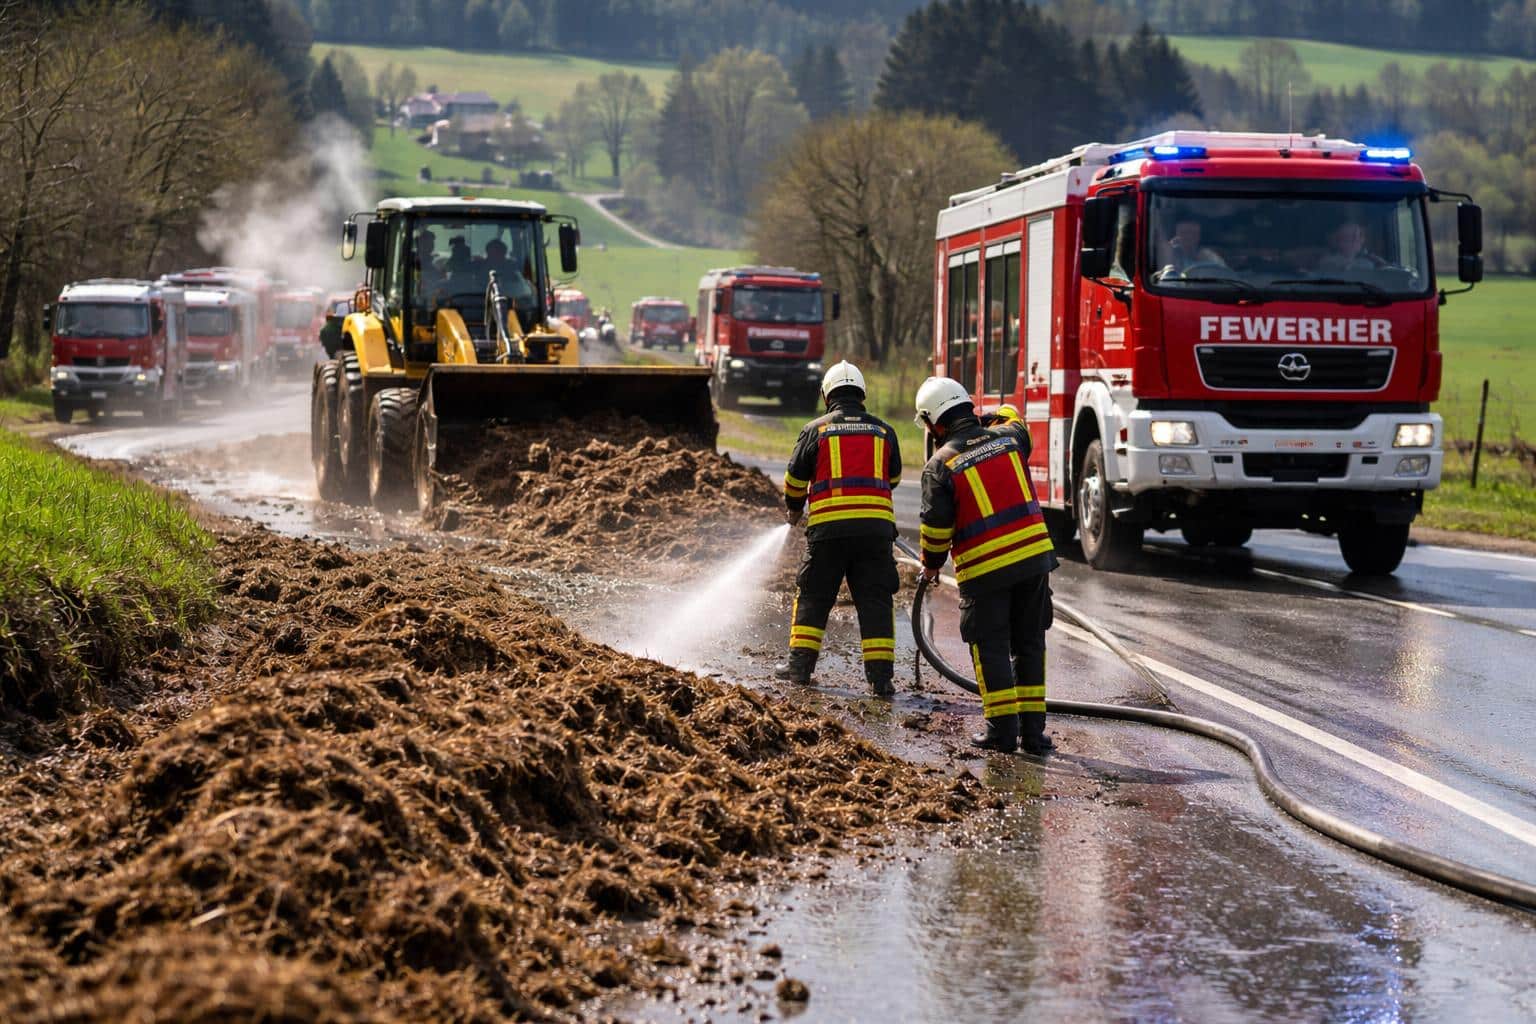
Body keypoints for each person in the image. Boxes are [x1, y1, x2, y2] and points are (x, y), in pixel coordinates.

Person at [915, 376, 1057, 754]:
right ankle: (1034, 735)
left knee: (990, 645)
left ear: (934, 423)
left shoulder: (940, 465)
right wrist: (987, 416)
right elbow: (1014, 415)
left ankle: (1001, 732)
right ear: (967, 408)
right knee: (1029, 642)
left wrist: (930, 566)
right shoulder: (1011, 439)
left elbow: (936, 530)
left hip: (985, 569)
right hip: (1033, 560)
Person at [777, 360, 904, 696]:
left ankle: (799, 668)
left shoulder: (814, 430)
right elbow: (893, 478)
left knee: (814, 595)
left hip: (828, 533)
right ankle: (880, 679)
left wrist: (793, 509)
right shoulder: (884, 431)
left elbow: (794, 480)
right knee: (875, 600)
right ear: (861, 394)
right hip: (875, 534)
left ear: (826, 395)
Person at [1157, 218, 1225, 278]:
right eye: (1184, 233)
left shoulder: (1209, 256)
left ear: (1199, 236)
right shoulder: (1171, 254)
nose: (1188, 237)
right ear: (1177, 235)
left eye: (1193, 233)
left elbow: (1225, 274)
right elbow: (1163, 276)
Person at [1317, 220, 1383, 272]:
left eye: (1360, 235)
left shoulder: (1368, 262)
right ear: (1337, 241)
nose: (1358, 240)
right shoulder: (1328, 262)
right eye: (1352, 237)